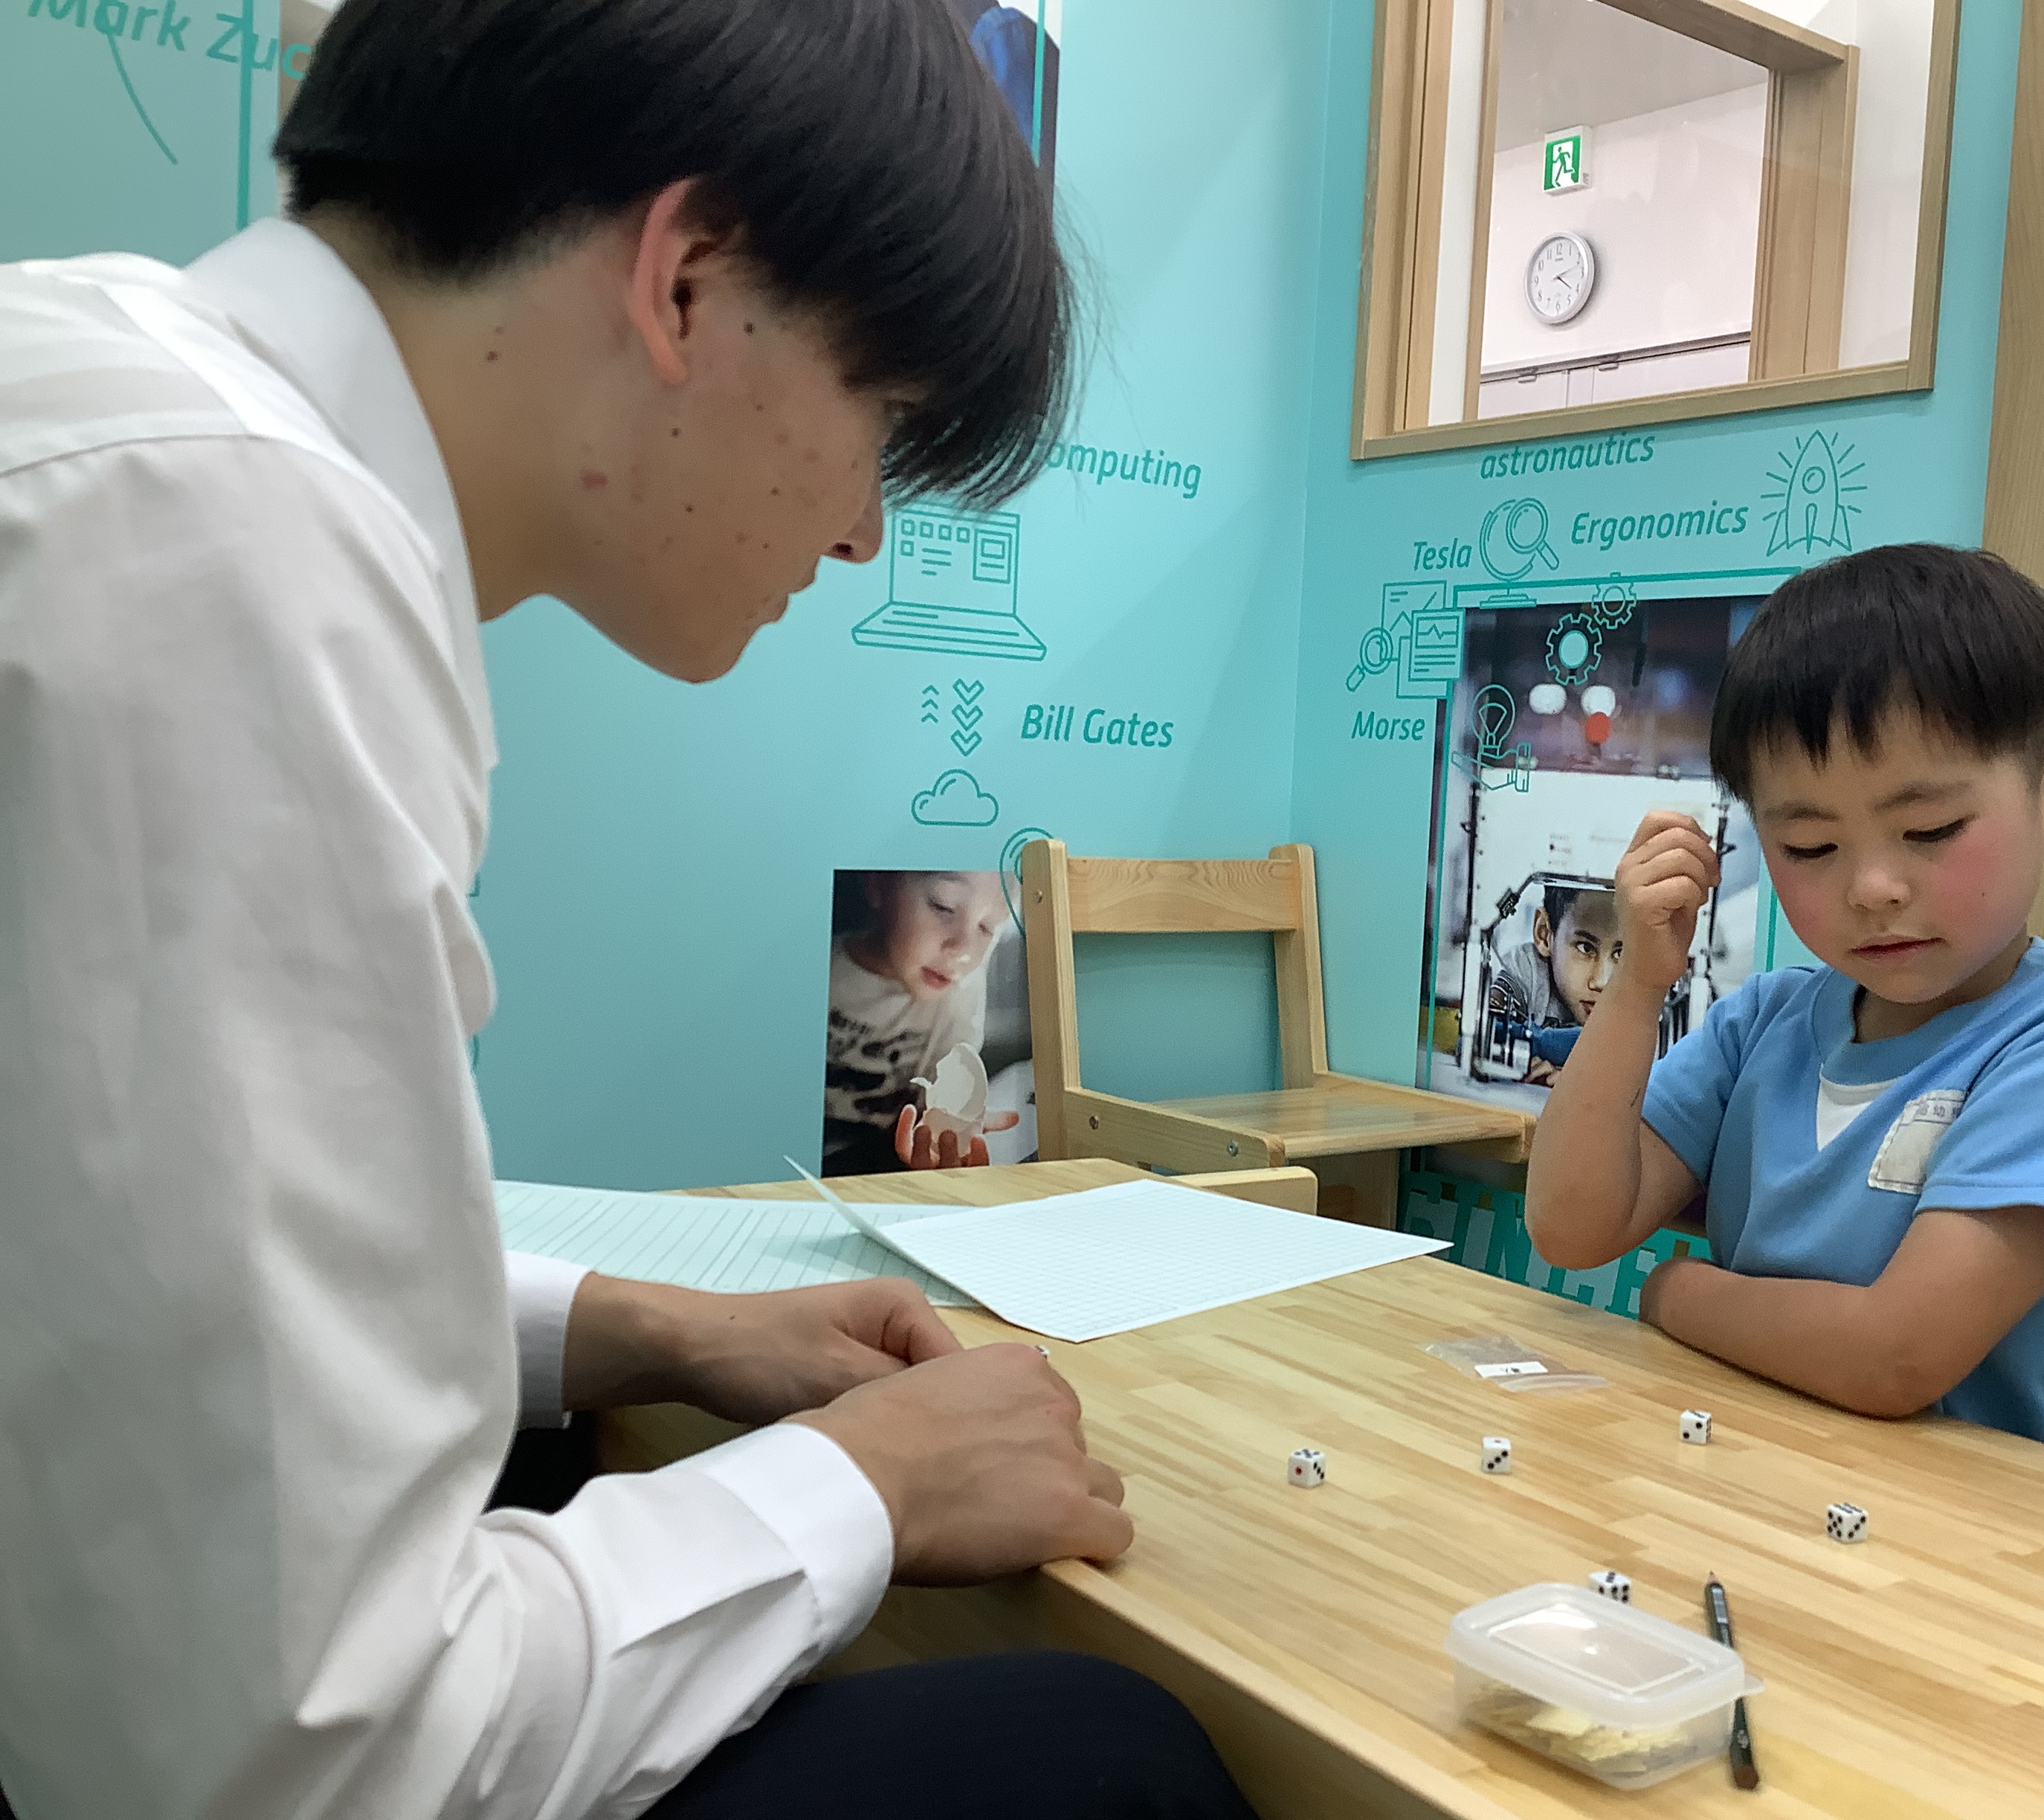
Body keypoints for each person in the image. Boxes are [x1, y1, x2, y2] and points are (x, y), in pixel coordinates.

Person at [0, 1, 1259, 1817]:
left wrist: (642, 1328)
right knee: (1104, 1760)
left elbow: (132, 1295)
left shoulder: (120, 401)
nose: (863, 534)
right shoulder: (227, 562)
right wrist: (869, 1484)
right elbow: (301, 1751)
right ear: (687, 281)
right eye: (886, 426)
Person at [1525, 546, 2044, 1460]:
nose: (1872, 888)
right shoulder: (1763, 1025)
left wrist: (1674, 1291)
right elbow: (1571, 1226)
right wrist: (1636, 988)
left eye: (1930, 829)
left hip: (1972, 1532)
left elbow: (1891, 1358)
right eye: (1810, 847)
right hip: (1742, 1486)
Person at [825, 870, 1022, 1172]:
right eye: (944, 907)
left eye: (986, 928)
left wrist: (951, 1127)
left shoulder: (961, 995)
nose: (962, 951)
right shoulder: (820, 972)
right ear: (879, 884)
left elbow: (937, 1107)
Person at [1488, 882, 1625, 1084]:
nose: (1602, 982)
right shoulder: (1528, 971)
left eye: (1621, 954)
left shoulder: (1640, 994)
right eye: (1585, 948)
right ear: (1544, 934)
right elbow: (1490, 1029)